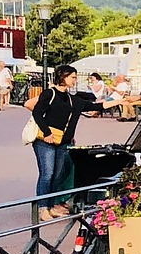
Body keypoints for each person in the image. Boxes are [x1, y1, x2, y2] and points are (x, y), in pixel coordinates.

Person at [28, 65, 99, 215]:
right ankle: (42, 208)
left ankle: (53, 205)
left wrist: (121, 102)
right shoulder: (49, 94)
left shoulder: (71, 99)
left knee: (57, 174)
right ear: (63, 77)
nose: (75, 80)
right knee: (47, 174)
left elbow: (95, 106)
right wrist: (47, 132)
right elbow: (37, 113)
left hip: (63, 142)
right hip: (45, 141)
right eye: (73, 77)